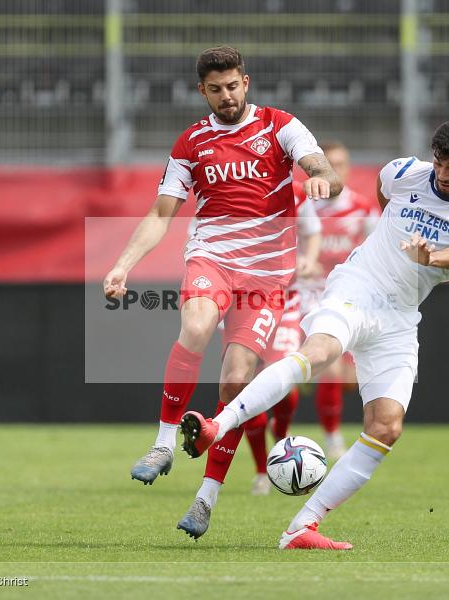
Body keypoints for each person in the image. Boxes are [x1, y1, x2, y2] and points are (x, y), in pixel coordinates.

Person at [179, 119, 449, 549]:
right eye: (440, 163)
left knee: (386, 427)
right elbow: (385, 196)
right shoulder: (404, 172)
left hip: (400, 316)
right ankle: (216, 426)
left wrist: (433, 258)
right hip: (358, 286)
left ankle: (301, 528)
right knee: (319, 353)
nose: (443, 174)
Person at [102, 46, 342, 539]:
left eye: (232, 86)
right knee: (194, 326)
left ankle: (205, 499)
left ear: (245, 82)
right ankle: (163, 444)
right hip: (212, 258)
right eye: (216, 89)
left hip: (268, 277)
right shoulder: (191, 142)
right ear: (203, 91)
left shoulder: (280, 126)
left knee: (236, 382)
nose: (226, 96)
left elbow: (321, 167)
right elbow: (161, 213)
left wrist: (321, 178)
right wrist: (122, 266)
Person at [244, 187, 322, 496]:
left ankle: (281, 432)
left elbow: (312, 231)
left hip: (285, 301)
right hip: (241, 304)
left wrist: (309, 260)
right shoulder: (229, 190)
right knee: (249, 388)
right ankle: (261, 472)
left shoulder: (296, 193)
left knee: (283, 384)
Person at [305, 142, 380, 459]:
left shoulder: (363, 209)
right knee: (331, 370)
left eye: (341, 164)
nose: (336, 170)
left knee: (348, 379)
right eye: (329, 164)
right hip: (308, 296)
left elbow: (379, 255)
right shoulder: (304, 207)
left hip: (348, 298)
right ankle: (333, 439)